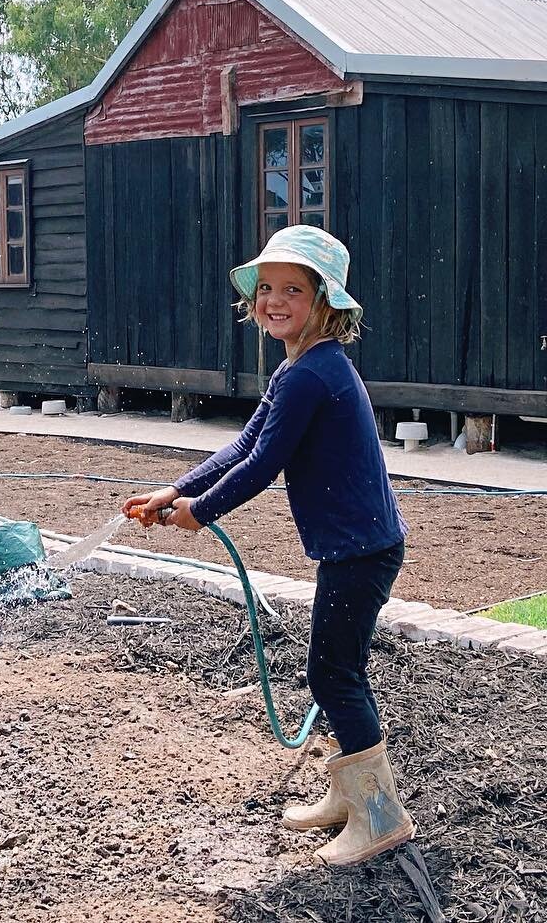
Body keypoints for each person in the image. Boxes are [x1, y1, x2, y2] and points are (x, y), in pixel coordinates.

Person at [121, 224, 414, 867]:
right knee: (333, 671)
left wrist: (200, 512)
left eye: (293, 290)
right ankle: (350, 795)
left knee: (333, 674)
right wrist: (176, 490)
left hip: (360, 550)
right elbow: (241, 445)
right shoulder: (300, 368)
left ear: (326, 303)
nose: (274, 301)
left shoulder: (314, 376)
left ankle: (379, 813)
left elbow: (264, 466)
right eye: (266, 289)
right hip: (354, 545)